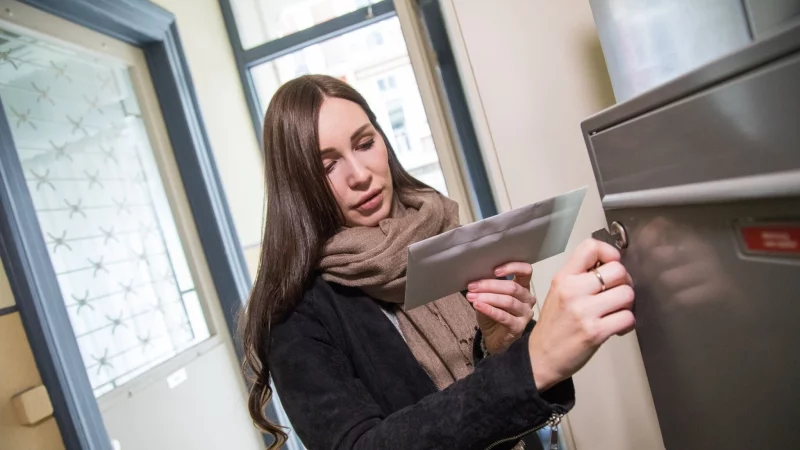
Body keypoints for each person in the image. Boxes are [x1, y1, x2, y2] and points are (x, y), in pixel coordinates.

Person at [241, 75, 636, 450]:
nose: (360, 174)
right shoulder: (293, 313)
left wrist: (502, 346)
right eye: (327, 166)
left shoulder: (441, 232)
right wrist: (531, 364)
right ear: (297, 184)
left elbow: (501, 400)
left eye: (364, 144)